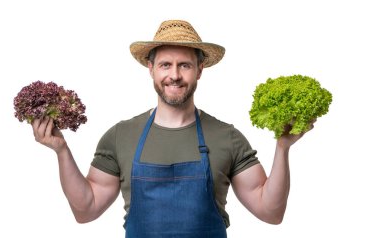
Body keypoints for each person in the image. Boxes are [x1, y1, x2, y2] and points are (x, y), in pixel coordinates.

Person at [32, 20, 314, 237]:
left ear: (200, 70)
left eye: (185, 65)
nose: (175, 75)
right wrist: (61, 150)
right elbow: (86, 209)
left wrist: (282, 148)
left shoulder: (227, 137)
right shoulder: (120, 136)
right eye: (166, 64)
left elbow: (271, 212)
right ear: (151, 68)